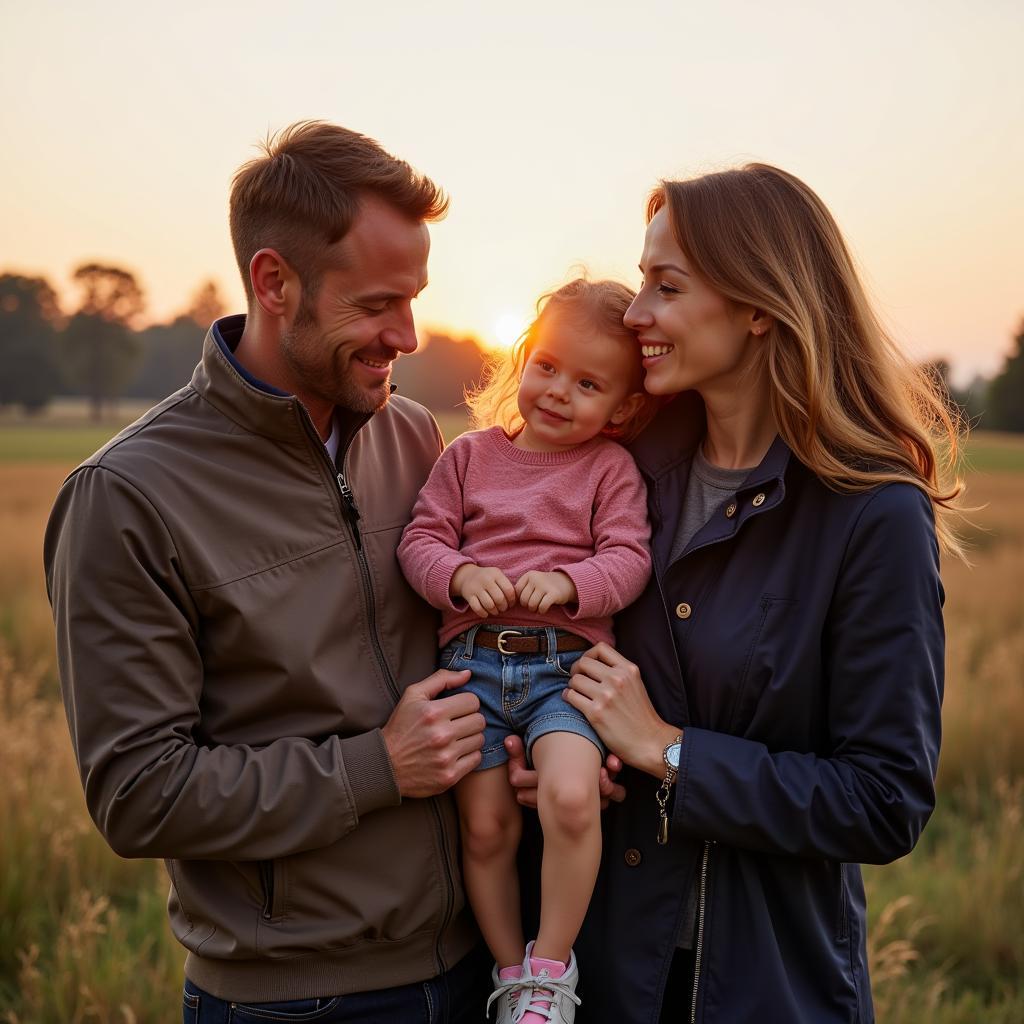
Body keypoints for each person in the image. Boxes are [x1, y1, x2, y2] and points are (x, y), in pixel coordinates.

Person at [44, 121, 494, 1022]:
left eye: (415, 298)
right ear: (274, 282)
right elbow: (139, 795)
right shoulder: (127, 497)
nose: (405, 335)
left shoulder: (409, 435)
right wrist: (377, 767)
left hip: (478, 964)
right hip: (297, 1003)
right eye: (375, 305)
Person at [508, 164, 961, 1022]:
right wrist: (545, 752)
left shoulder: (874, 514)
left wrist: (667, 751)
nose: (636, 311)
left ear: (759, 306)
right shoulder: (619, 468)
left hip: (762, 988)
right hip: (595, 978)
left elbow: (884, 801)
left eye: (665, 285)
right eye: (642, 281)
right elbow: (542, 642)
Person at [397, 279, 653, 1023]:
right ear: (524, 357)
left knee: (573, 798)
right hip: (471, 668)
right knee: (484, 827)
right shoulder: (470, 457)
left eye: (588, 383)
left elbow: (629, 558)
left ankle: (551, 969)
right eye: (546, 366)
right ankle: (513, 978)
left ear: (623, 408)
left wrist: (572, 585)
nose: (558, 391)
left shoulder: (611, 469)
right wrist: (459, 573)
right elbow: (421, 541)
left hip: (562, 674)